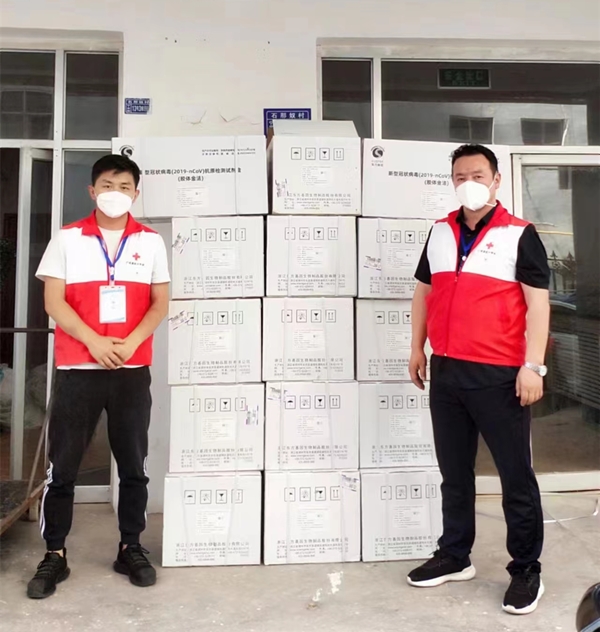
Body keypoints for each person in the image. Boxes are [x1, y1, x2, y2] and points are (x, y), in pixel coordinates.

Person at [407, 144, 550, 616]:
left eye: (477, 174)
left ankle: (525, 569)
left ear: (495, 180)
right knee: (454, 473)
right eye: (460, 176)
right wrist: (417, 348)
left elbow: (538, 304)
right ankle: (455, 555)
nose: (468, 182)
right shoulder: (439, 232)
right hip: (447, 371)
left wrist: (533, 366)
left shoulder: (519, 234)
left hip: (499, 374)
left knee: (515, 477)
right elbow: (423, 293)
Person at [27, 155, 170, 599]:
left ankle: (130, 547)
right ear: (92, 191)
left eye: (124, 187)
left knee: (133, 467)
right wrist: (94, 342)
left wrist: (130, 343)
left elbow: (160, 303)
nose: (115, 193)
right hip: (78, 369)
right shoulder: (67, 239)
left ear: (135, 193)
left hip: (131, 370)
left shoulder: (150, 242)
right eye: (107, 185)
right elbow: (53, 302)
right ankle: (55, 553)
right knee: (63, 468)